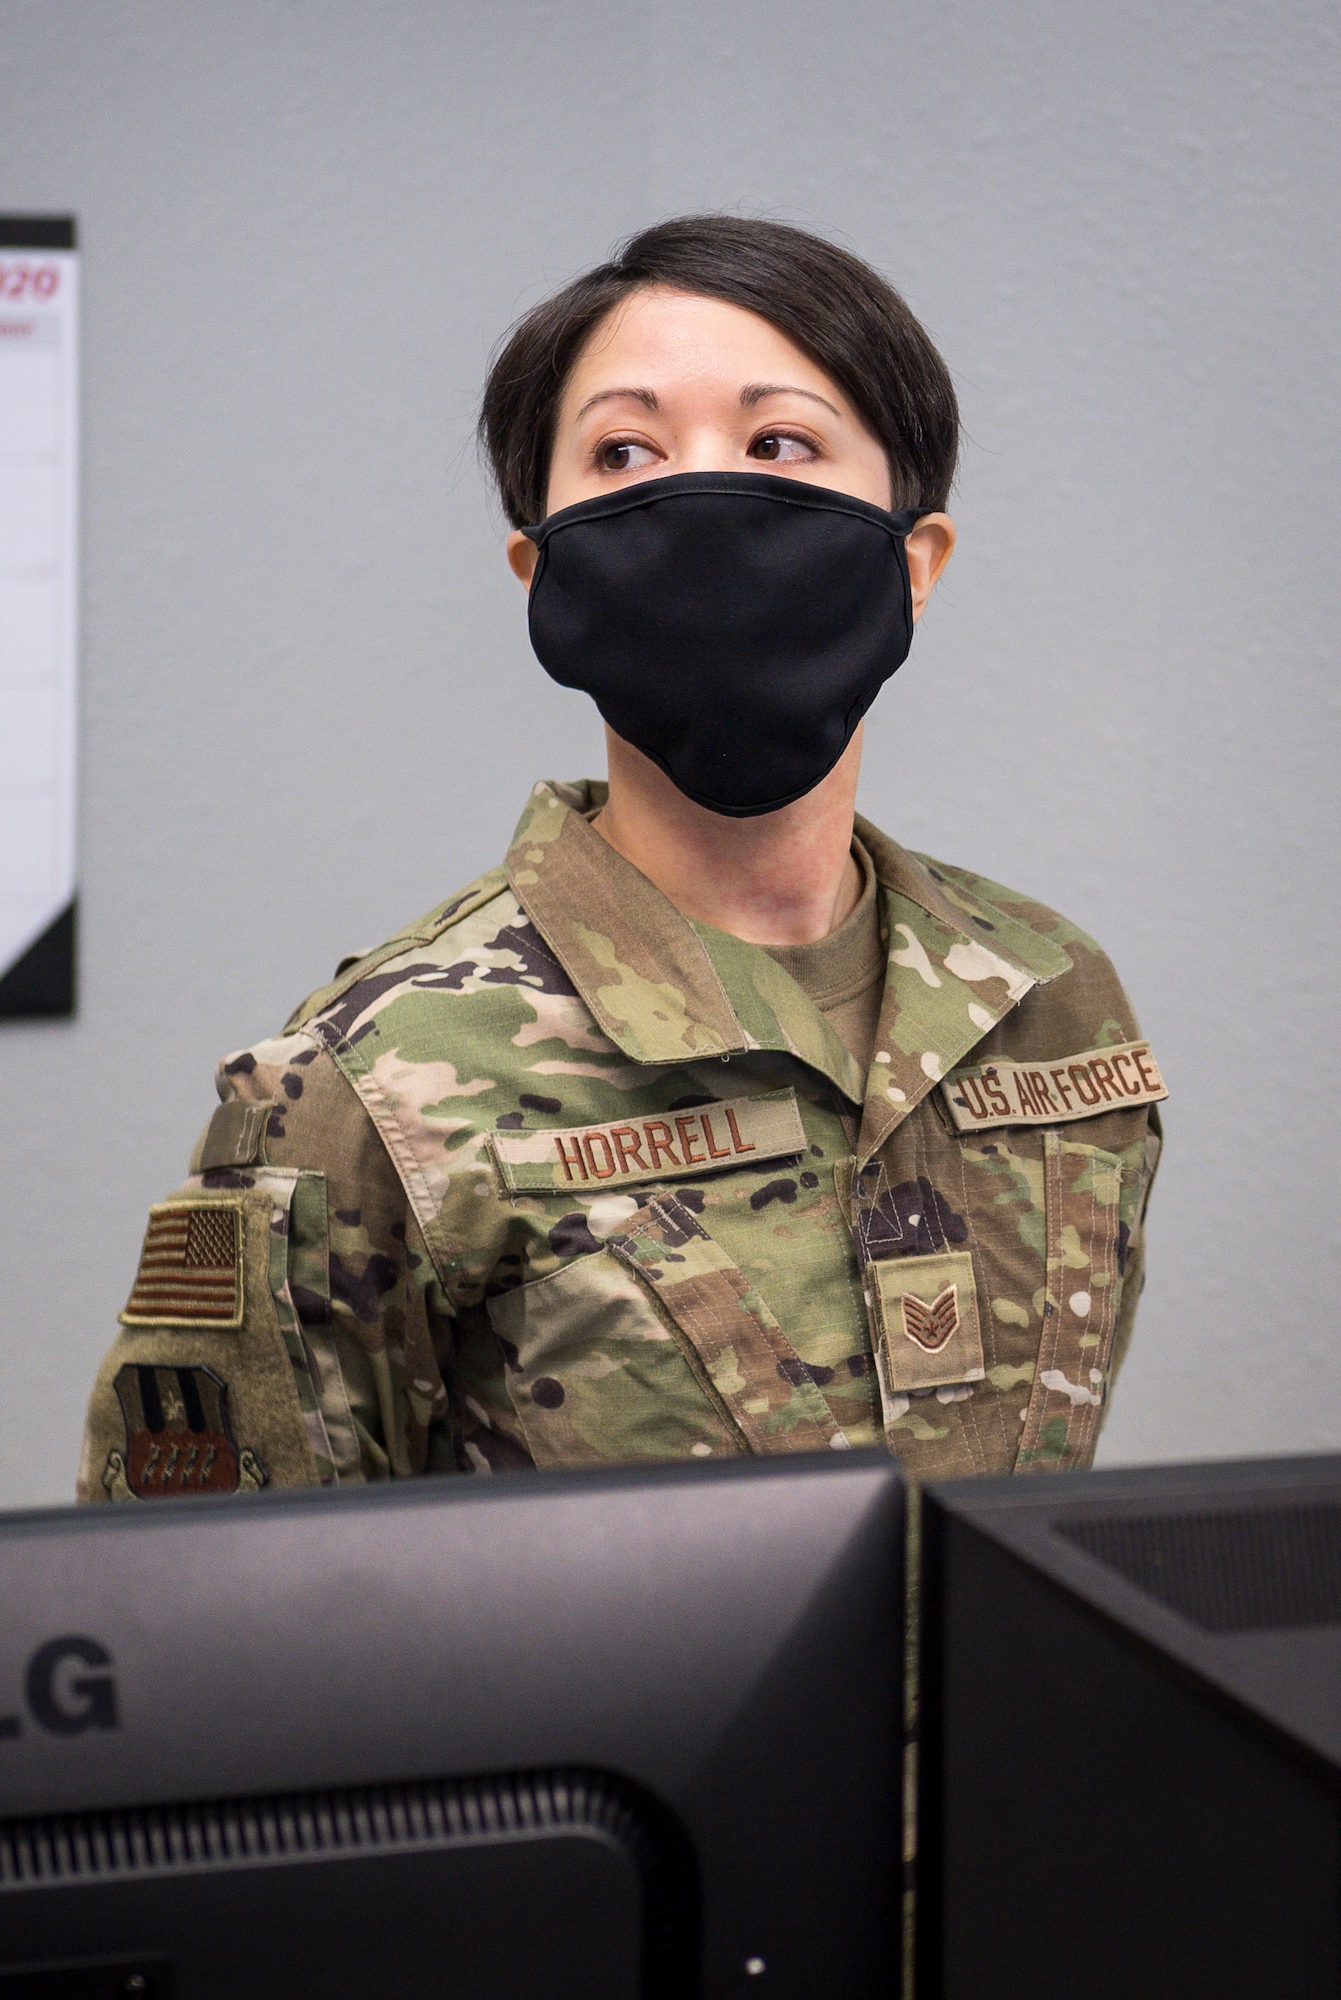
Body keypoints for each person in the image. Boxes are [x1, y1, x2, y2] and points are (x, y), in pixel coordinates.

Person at [77, 215, 1164, 1502]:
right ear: (543, 576)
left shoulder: (1049, 1002)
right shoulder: (365, 1090)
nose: (708, 496)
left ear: (914, 562)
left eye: (780, 443)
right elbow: (206, 1619)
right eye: (626, 451)